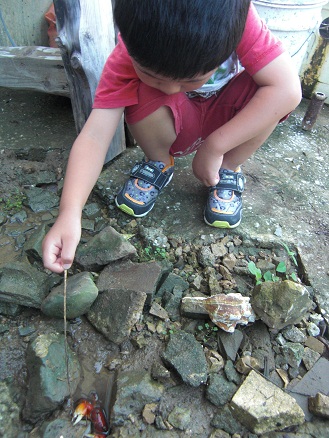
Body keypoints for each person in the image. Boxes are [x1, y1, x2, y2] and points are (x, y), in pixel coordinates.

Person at [42, 0, 302, 273]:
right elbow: (95, 135)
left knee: (272, 92)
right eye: (152, 74)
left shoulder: (237, 21)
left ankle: (227, 167)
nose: (169, 88)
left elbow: (288, 91)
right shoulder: (129, 52)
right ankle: (159, 161)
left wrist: (216, 146)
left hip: (229, 120)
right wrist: (69, 213)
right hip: (176, 120)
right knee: (140, 89)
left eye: (192, 79)